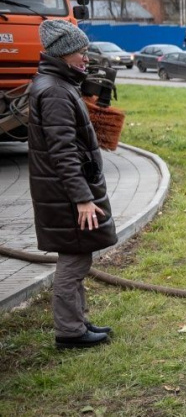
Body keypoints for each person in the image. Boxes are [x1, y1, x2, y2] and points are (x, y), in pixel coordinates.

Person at [28, 19, 118, 349]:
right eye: (82, 53)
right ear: (64, 54)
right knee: (75, 259)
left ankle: (77, 320)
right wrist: (81, 198)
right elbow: (62, 150)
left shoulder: (57, 84)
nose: (87, 58)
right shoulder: (53, 91)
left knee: (79, 254)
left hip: (62, 191)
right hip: (65, 195)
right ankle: (70, 331)